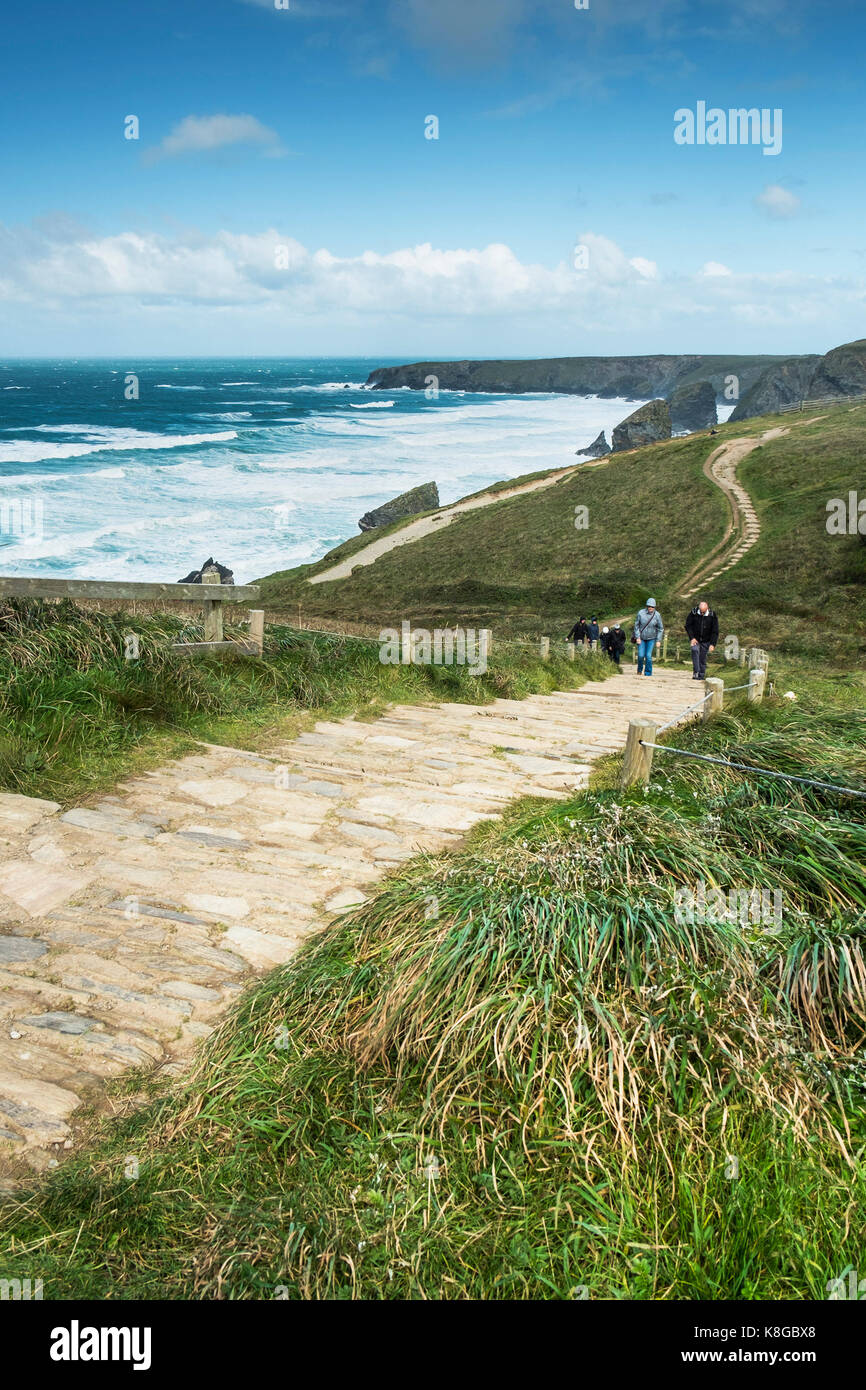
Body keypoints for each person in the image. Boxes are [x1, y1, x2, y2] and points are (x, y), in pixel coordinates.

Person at [685, 599, 719, 680]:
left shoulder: (712, 615)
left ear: (707, 608)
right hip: (695, 639)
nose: (702, 613)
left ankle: (701, 675)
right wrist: (692, 638)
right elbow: (688, 626)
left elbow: (715, 631)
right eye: (701, 611)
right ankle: (696, 672)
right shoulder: (693, 612)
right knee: (694, 650)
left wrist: (712, 644)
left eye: (704, 611)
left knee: (702, 658)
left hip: (706, 640)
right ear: (699, 608)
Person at [633, 598, 664, 676]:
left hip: (652, 638)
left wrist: (658, 640)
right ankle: (639, 670)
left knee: (648, 656)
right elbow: (636, 626)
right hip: (641, 638)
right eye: (649, 606)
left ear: (654, 607)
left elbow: (660, 628)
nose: (650, 608)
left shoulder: (657, 615)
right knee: (640, 655)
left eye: (652, 606)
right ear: (646, 606)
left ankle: (648, 673)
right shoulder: (640, 613)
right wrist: (638, 637)